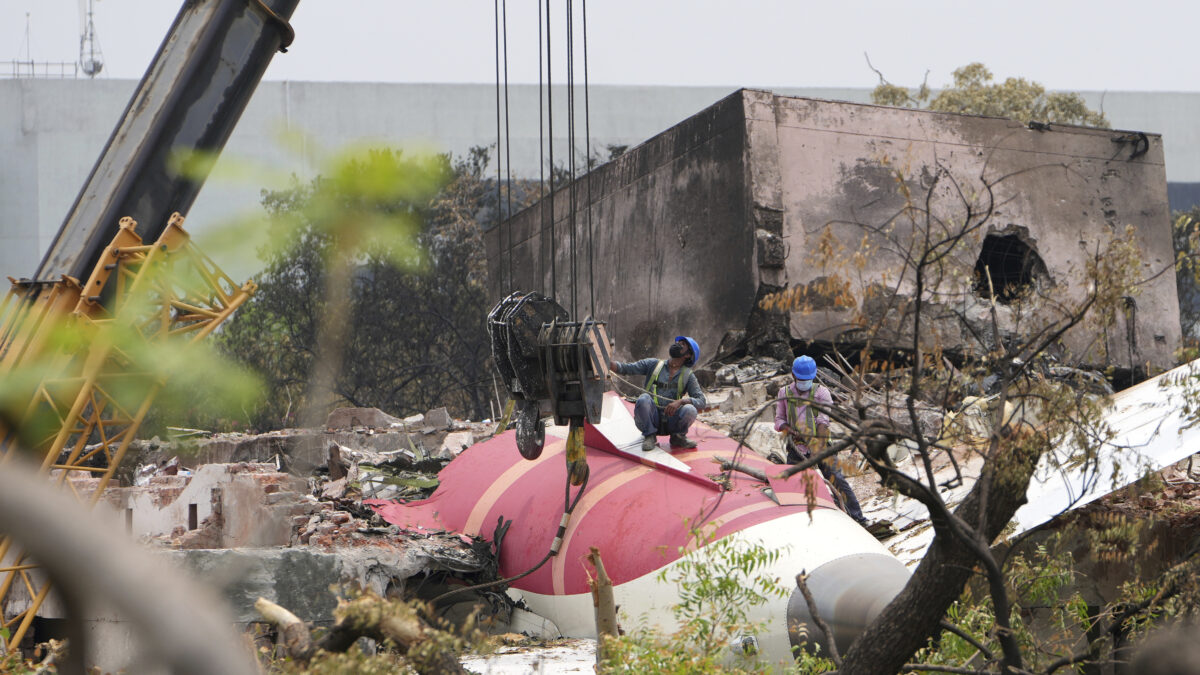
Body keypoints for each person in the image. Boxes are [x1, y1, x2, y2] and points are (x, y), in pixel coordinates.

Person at [775, 355, 870, 528]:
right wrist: (790, 430)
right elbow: (779, 420)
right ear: (794, 376)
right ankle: (801, 523)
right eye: (802, 379)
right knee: (793, 485)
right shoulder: (784, 393)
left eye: (808, 380)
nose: (805, 383)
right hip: (797, 448)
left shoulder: (821, 393)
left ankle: (857, 518)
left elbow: (823, 420)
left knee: (836, 480)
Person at [610, 336, 707, 451]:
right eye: (678, 342)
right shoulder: (653, 364)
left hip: (672, 420)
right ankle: (650, 435)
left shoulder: (688, 375)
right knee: (643, 399)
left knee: (690, 409)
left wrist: (681, 401)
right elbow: (625, 368)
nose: (678, 344)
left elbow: (702, 401)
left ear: (688, 355)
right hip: (652, 418)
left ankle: (678, 437)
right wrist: (606, 362)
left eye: (682, 344)